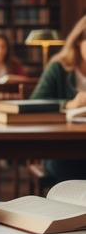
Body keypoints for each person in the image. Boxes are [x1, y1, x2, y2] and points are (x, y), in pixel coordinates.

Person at [30, 15, 86, 182]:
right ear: (78, 40)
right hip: (63, 149)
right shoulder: (59, 67)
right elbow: (35, 101)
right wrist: (69, 104)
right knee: (71, 171)